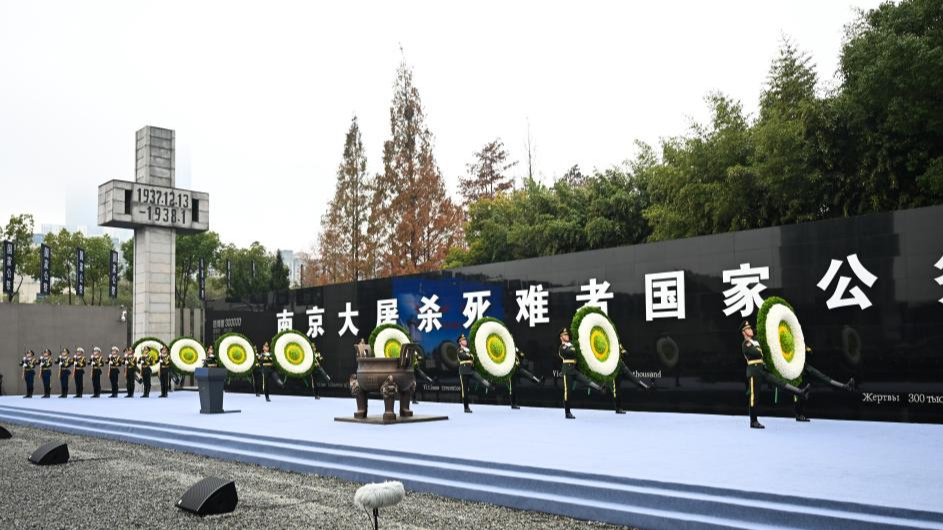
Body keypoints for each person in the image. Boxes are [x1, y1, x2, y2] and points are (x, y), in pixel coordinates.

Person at [740, 320, 809, 429]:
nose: (750, 330)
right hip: (754, 371)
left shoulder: (756, 341)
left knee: (779, 382)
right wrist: (761, 349)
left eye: (750, 328)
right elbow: (757, 353)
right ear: (744, 332)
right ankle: (753, 421)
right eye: (747, 329)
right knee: (754, 397)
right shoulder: (746, 344)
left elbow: (764, 342)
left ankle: (800, 392)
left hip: (762, 369)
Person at [793, 347, 857, 422]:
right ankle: (798, 415)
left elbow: (810, 352)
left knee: (824, 378)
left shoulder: (799, 341)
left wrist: (806, 349)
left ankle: (845, 386)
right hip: (795, 371)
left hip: (805, 367)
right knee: (799, 393)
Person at [559, 328, 605, 419]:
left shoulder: (571, 345)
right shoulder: (562, 347)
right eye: (564, 335)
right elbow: (569, 353)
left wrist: (576, 349)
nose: (567, 336)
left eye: (567, 335)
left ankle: (599, 388)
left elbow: (578, 352)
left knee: (585, 380)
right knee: (568, 392)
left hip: (573, 369)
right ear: (561, 337)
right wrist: (575, 349)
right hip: (567, 370)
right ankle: (567, 413)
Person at [457, 334, 491, 413]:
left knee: (479, 378)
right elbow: (463, 356)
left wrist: (471, 355)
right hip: (464, 371)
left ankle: (490, 386)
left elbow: (473, 358)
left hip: (471, 370)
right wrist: (470, 355)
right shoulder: (459, 350)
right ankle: (466, 407)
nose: (465, 341)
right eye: (463, 340)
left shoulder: (468, 350)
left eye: (465, 340)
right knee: (465, 390)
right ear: (460, 342)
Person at [612, 346, 651, 414]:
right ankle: (618, 409)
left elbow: (625, 353)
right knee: (616, 390)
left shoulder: (617, 344)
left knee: (634, 378)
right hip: (614, 370)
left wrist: (623, 352)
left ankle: (646, 388)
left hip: (622, 367)